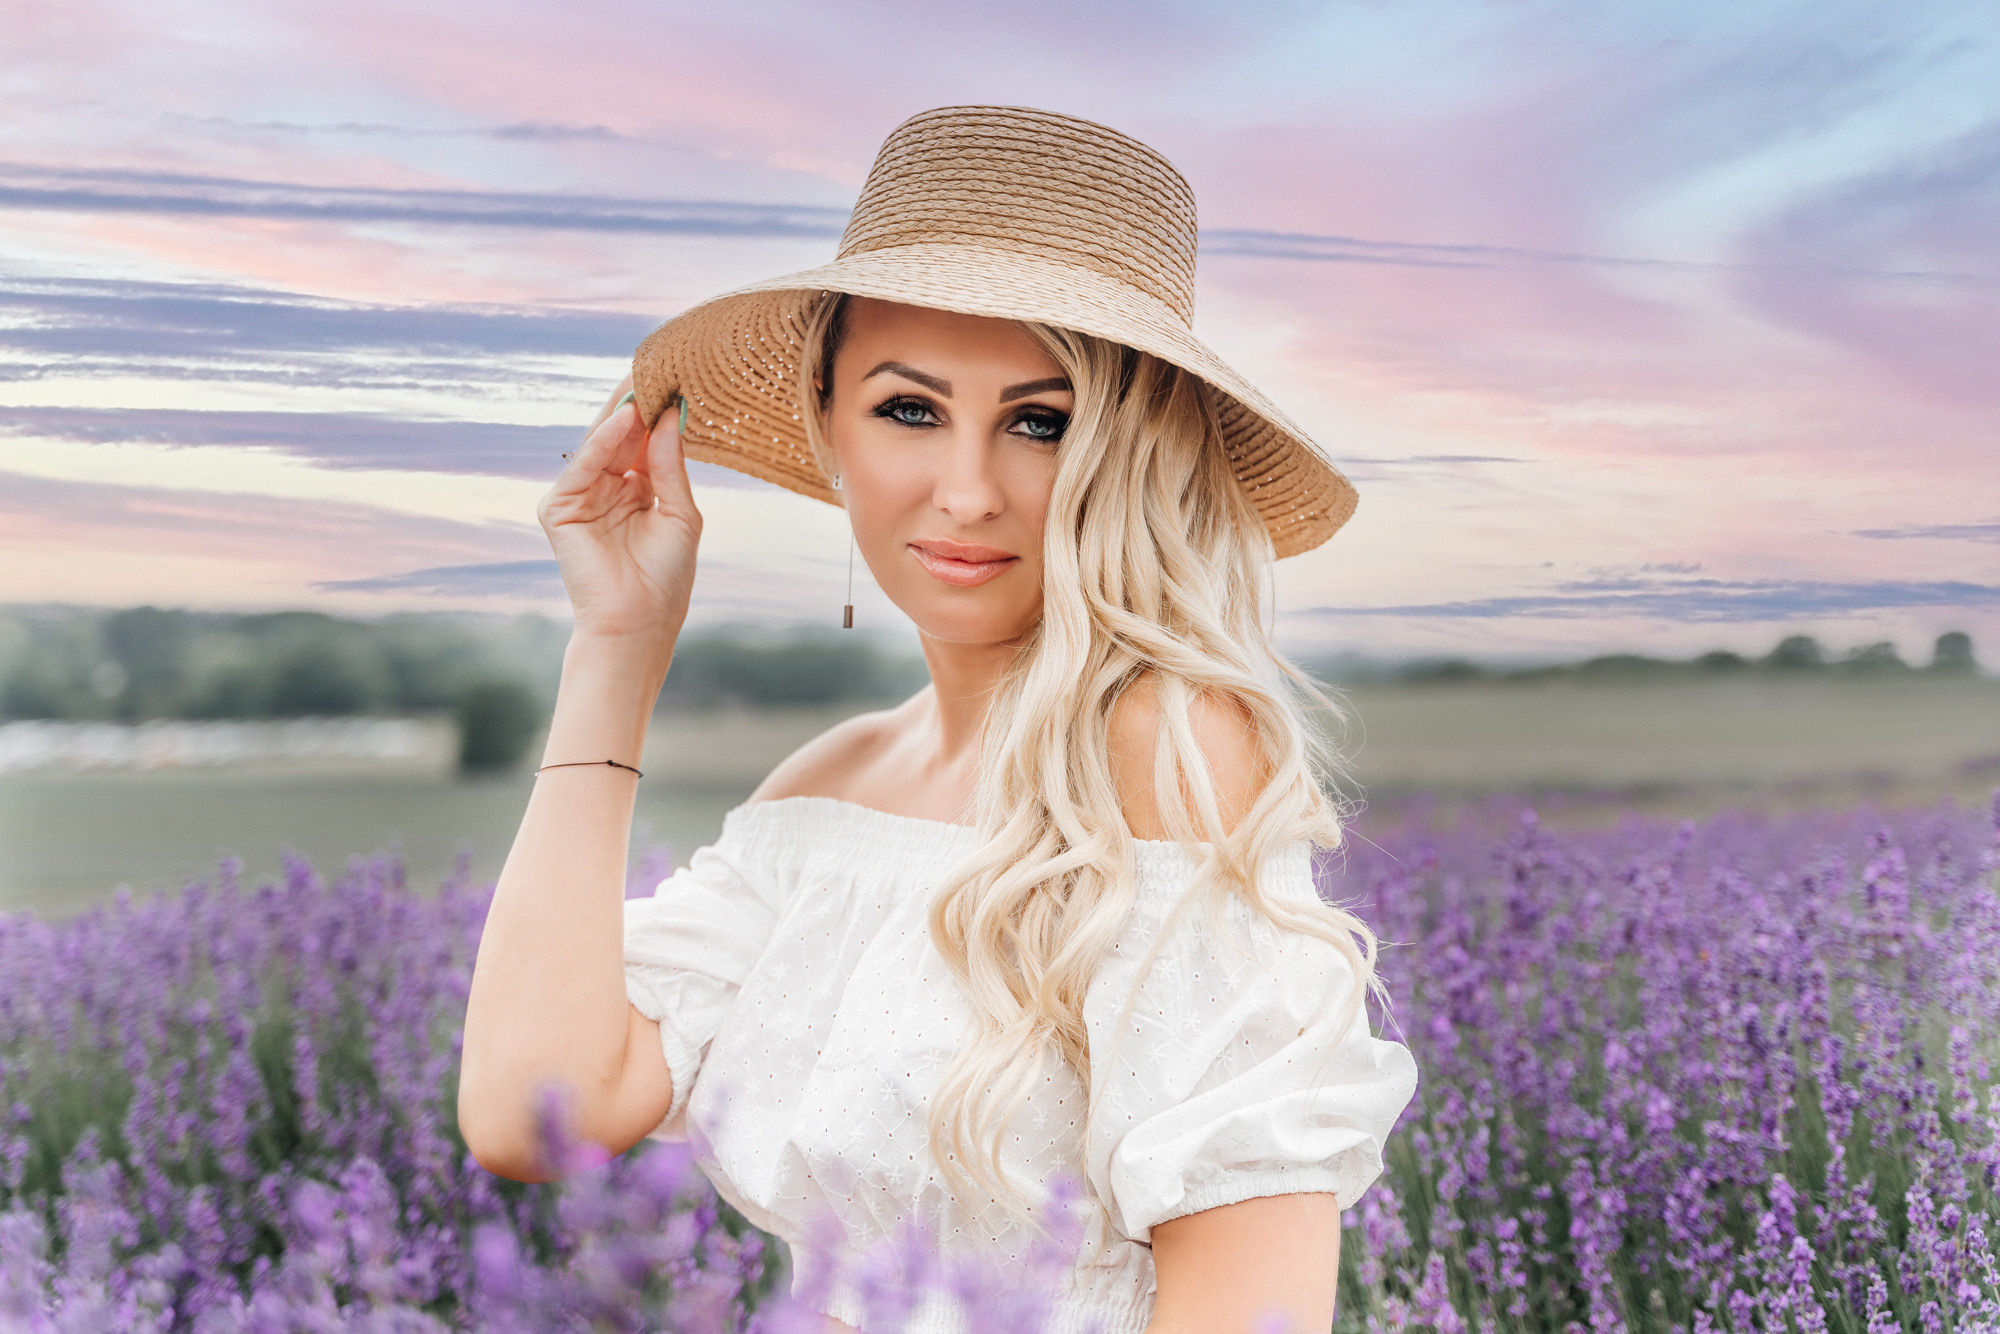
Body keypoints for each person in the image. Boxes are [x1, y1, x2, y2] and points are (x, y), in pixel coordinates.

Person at [458, 105, 1418, 1334]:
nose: (965, 490)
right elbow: (533, 1108)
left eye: (1041, 420)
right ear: (826, 425)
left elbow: (1250, 1305)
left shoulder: (1168, 752)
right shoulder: (834, 785)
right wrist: (615, 648)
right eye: (909, 409)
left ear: (1133, 452)